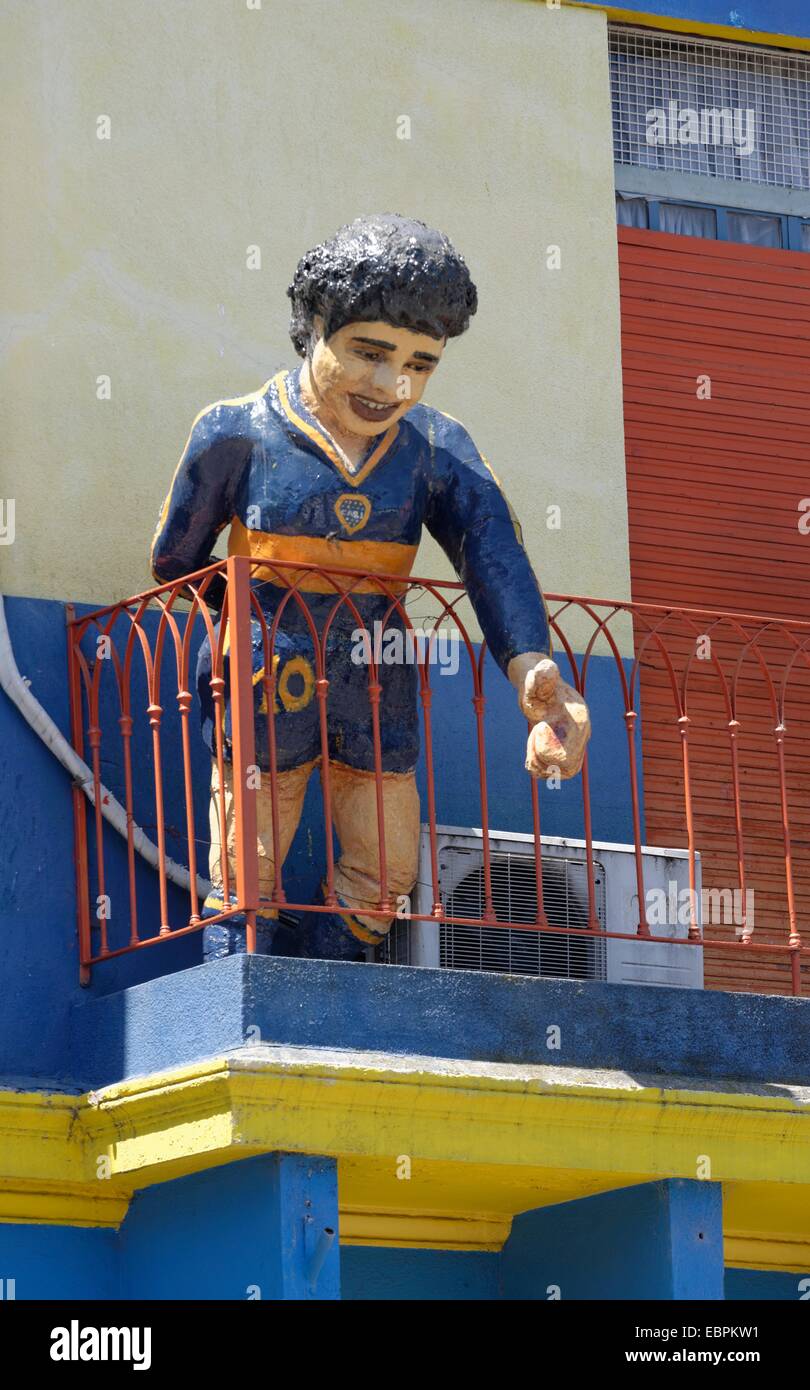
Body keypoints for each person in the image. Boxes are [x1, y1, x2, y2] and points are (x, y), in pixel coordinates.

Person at [151, 213, 591, 960]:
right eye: (371, 353)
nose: (395, 385)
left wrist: (534, 670)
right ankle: (235, 973)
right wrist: (242, 626)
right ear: (314, 326)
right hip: (263, 678)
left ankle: (335, 976)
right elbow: (175, 559)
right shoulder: (236, 434)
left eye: (422, 364)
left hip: (377, 678)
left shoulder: (436, 452)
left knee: (386, 866)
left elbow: (492, 555)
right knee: (247, 852)